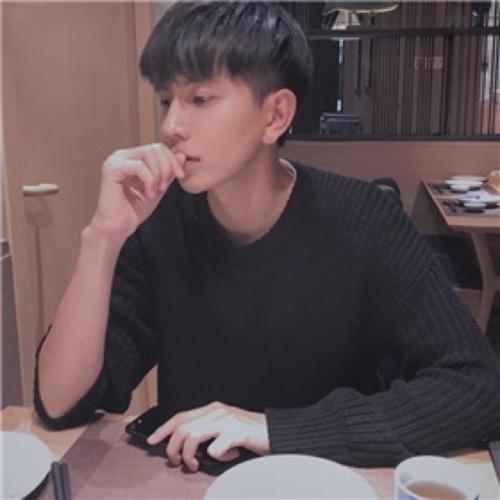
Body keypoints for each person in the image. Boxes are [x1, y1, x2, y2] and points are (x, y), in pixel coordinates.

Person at [34, 1, 500, 472]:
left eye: (200, 99)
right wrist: (102, 236)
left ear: (276, 115)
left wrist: (275, 430)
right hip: (193, 481)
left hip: (325, 481)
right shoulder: (161, 221)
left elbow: (477, 385)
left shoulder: (364, 219)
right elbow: (60, 405)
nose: (171, 126)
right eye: (166, 100)